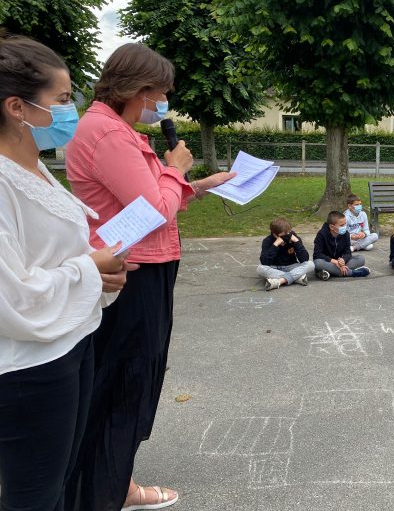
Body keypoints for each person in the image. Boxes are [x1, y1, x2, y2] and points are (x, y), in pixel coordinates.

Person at [65, 43, 235, 511]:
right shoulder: (108, 134)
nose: (163, 104)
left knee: (131, 381)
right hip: (132, 273)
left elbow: (147, 203)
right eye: (160, 93)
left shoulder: (115, 129)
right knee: (124, 384)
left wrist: (196, 186)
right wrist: (174, 169)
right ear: (138, 90)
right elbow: (152, 212)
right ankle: (104, 492)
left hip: (141, 266)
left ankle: (113, 482)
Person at [0, 34, 132, 511]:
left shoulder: (36, 168)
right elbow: (10, 297)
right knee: (33, 496)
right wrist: (89, 268)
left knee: (56, 482)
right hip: (28, 367)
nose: (69, 109)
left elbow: (54, 257)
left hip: (73, 342)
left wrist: (99, 276)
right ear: (17, 107)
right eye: (60, 99)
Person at [257, 217, 315, 290]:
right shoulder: (267, 241)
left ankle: (280, 281)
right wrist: (275, 245)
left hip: (291, 266)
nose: (288, 234)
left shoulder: (293, 237)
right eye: (285, 234)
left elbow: (304, 259)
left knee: (310, 264)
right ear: (275, 234)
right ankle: (297, 278)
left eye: (288, 232)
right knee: (260, 269)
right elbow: (264, 262)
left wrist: (297, 242)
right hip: (274, 267)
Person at [313, 211, 371, 279]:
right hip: (327, 261)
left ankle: (329, 272)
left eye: (345, 224)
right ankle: (351, 273)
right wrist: (334, 261)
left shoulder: (346, 234)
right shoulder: (322, 234)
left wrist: (343, 261)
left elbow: (348, 253)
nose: (344, 227)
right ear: (332, 226)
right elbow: (317, 254)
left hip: (339, 262)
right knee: (317, 263)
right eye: (341, 225)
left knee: (361, 259)